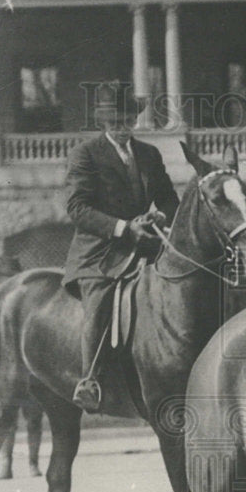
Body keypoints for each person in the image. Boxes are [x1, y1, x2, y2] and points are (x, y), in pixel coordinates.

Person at [62, 82, 179, 412]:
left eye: (127, 120)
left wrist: (160, 213)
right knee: (99, 304)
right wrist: (124, 227)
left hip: (147, 243)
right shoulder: (85, 154)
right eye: (115, 122)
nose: (122, 127)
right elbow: (77, 208)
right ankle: (91, 380)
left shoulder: (149, 154)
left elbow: (169, 198)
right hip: (101, 252)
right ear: (103, 122)